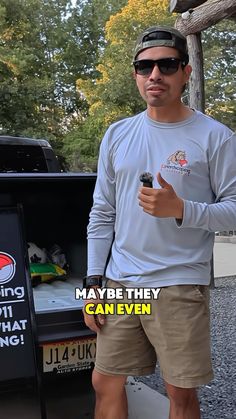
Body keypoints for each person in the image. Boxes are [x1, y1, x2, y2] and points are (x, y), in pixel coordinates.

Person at [83, 26, 236, 419]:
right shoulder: (117, 134)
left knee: (180, 393)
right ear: (135, 73)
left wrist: (183, 209)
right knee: (105, 381)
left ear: (185, 72)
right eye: (145, 66)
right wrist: (93, 282)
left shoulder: (214, 137)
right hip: (121, 282)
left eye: (167, 65)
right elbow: (102, 213)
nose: (155, 75)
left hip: (179, 283)